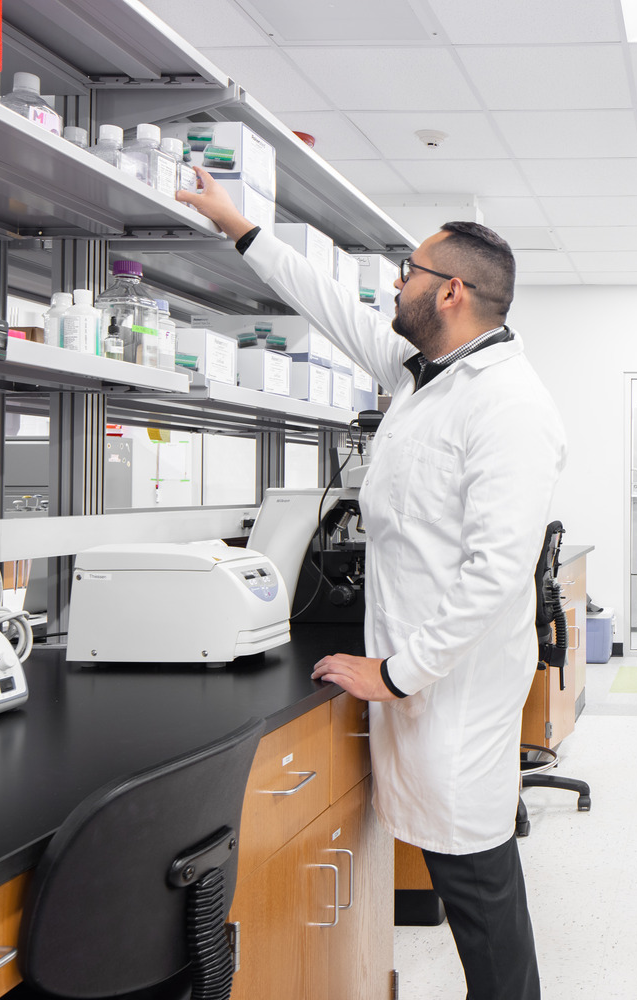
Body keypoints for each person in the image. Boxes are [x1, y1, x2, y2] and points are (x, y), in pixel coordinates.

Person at [177, 170, 565, 1000]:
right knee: (471, 884)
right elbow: (330, 304)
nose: (396, 284)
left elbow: (496, 573)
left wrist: (393, 673)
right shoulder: (422, 371)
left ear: (452, 292)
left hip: (449, 686)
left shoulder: (508, 404)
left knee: (480, 890)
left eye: (410, 272)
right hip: (423, 675)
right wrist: (239, 227)